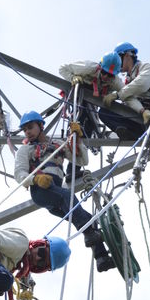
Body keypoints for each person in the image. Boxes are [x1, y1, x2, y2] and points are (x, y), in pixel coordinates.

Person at [14, 110, 115, 273]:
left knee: (86, 218)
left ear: (40, 126)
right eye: (25, 129)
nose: (27, 132)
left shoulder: (57, 144)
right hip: (41, 190)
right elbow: (19, 173)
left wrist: (78, 140)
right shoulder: (25, 150)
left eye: (30, 127)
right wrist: (35, 179)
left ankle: (101, 258)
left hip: (56, 191)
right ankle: (90, 235)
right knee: (67, 198)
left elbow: (82, 160)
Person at [59, 53, 124, 181]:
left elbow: (127, 93)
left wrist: (118, 96)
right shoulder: (88, 67)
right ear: (100, 67)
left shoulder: (116, 81)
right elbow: (62, 69)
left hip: (93, 105)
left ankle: (73, 171)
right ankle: (69, 171)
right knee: (79, 128)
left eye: (110, 75)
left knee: (87, 132)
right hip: (80, 97)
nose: (106, 77)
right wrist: (72, 77)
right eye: (104, 72)